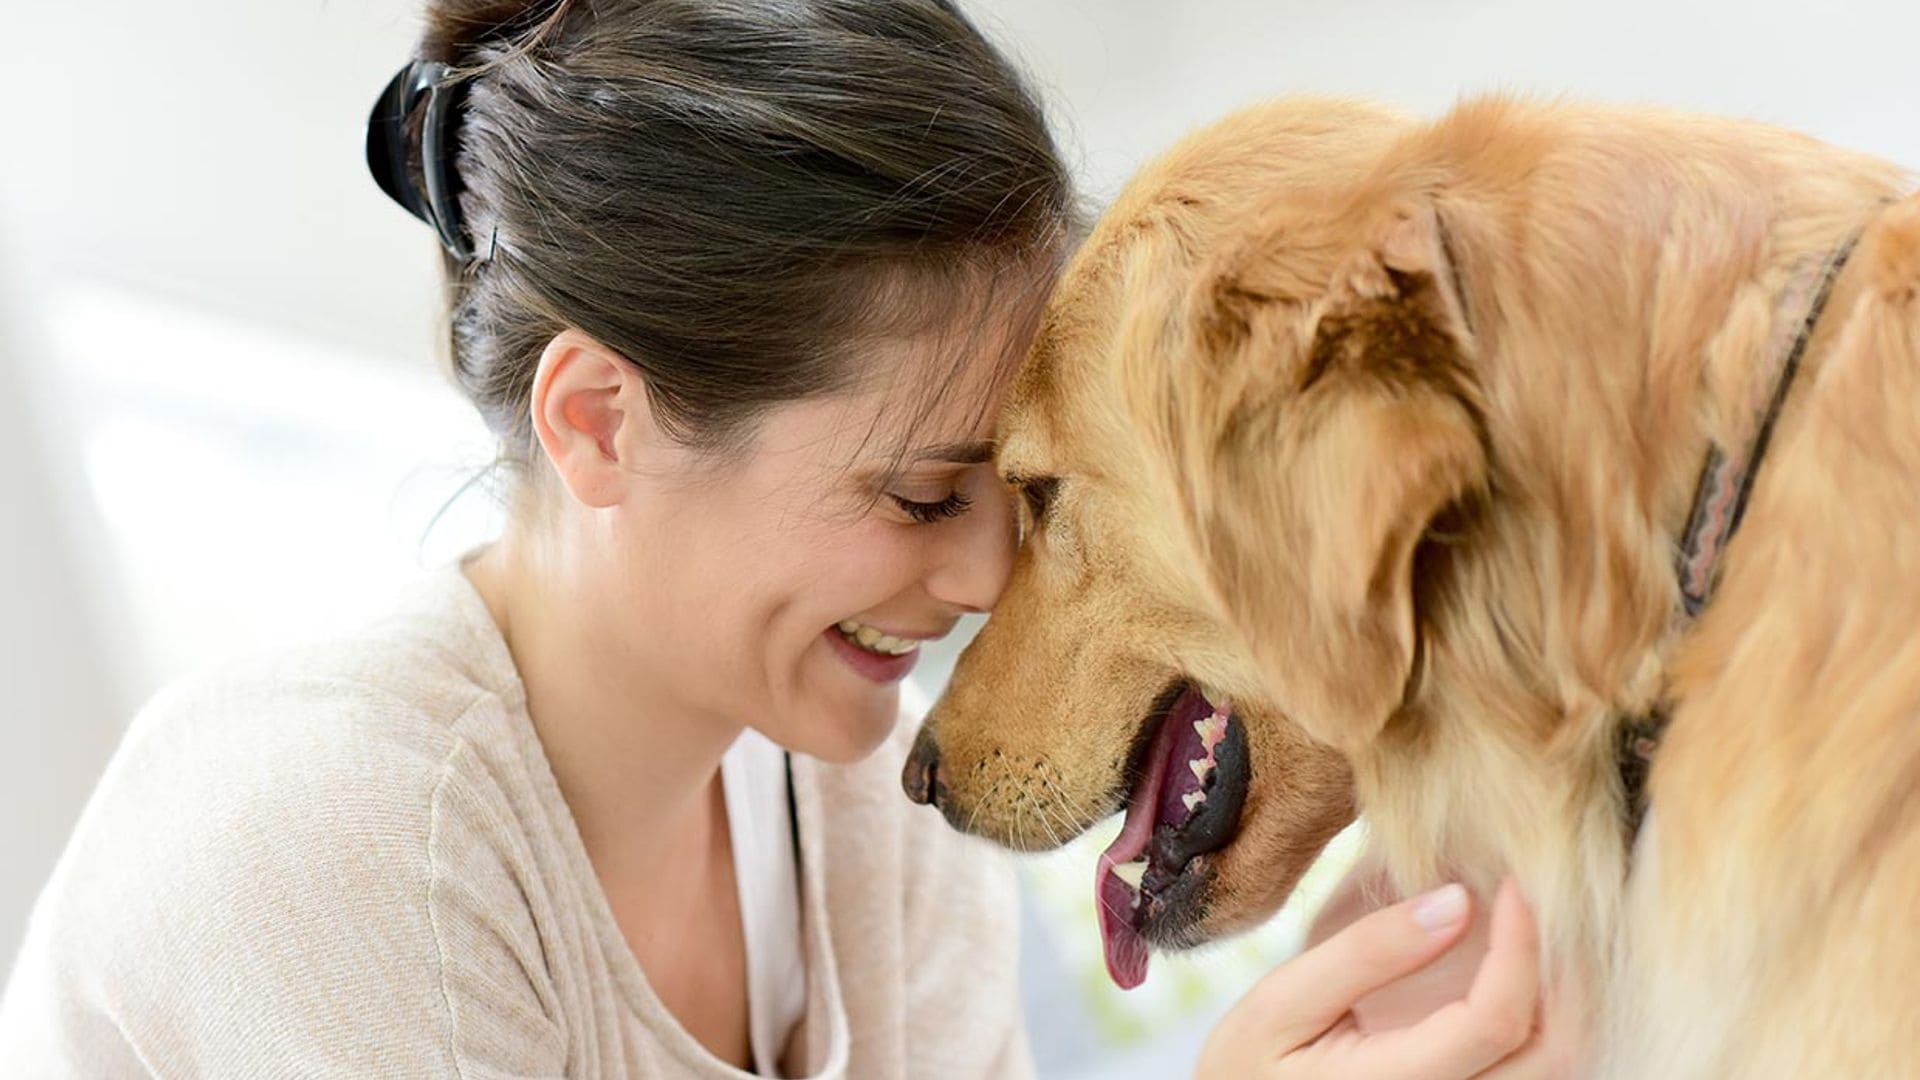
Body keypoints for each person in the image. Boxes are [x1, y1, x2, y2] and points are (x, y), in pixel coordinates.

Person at [0, 0, 1568, 1075]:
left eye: (1022, 500)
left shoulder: (865, 822)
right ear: (600, 422)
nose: (982, 585)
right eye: (918, 498)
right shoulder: (333, 832)